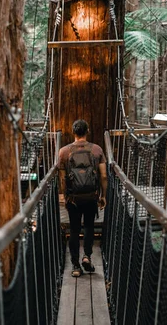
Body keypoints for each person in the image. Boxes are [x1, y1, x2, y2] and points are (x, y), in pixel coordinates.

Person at [58, 119, 107, 277]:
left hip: (74, 198)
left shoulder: (64, 152)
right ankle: (87, 256)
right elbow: (104, 176)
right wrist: (103, 195)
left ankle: (75, 266)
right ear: (87, 132)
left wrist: (66, 196)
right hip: (91, 196)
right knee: (89, 226)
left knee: (74, 229)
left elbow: (63, 178)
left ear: (73, 132)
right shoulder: (97, 150)